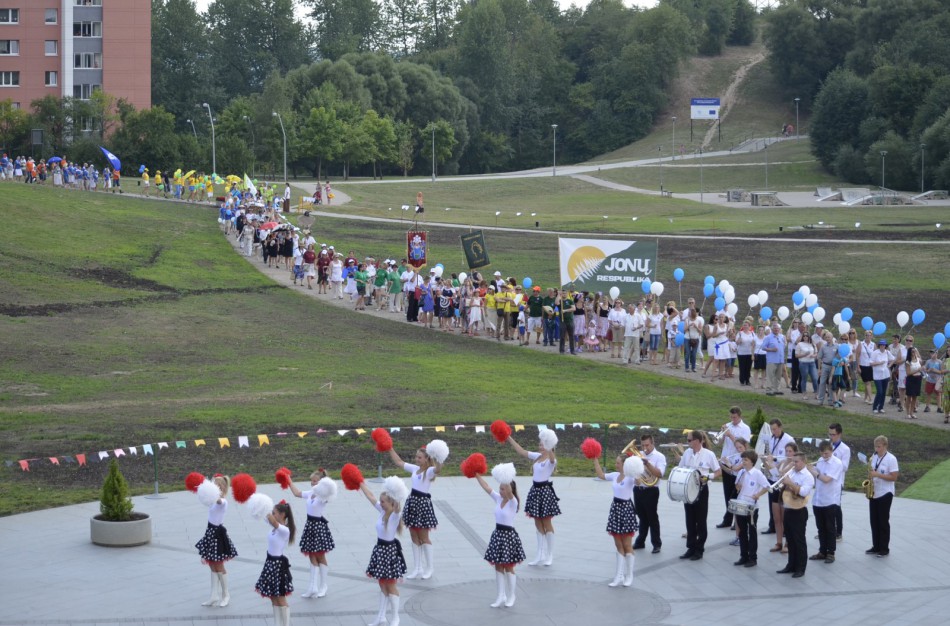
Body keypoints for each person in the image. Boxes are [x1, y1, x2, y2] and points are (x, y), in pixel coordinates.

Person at [387, 443, 444, 579]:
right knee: (414, 536)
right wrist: (389, 447)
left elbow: (438, 470)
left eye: (419, 457)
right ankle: (417, 568)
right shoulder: (415, 469)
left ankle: (429, 568)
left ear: (426, 459)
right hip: (412, 502)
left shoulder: (429, 471)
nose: (416, 459)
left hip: (422, 504)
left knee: (424, 537)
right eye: (416, 457)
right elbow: (399, 462)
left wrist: (439, 458)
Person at [359, 478, 408, 626]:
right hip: (380, 550)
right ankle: (381, 616)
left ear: (391, 503)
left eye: (384, 501)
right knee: (382, 584)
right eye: (381, 501)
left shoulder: (394, 516)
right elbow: (370, 496)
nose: (381, 503)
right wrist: (359, 481)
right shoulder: (381, 510)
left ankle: (395, 617)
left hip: (389, 552)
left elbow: (398, 508)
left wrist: (397, 495)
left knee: (390, 585)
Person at [474, 463, 524, 608]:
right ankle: (500, 595)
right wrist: (477, 475)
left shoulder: (513, 502)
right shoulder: (498, 499)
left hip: (508, 536)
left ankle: (511, 595)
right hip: (498, 534)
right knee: (498, 566)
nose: (500, 491)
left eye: (503, 488)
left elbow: (509, 491)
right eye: (500, 488)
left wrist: (506, 477)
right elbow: (487, 487)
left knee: (508, 567)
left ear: (509, 489)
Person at [508, 430, 560, 566]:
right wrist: (508, 437)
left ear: (549, 445)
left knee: (546, 522)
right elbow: (522, 451)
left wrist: (550, 448)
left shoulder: (550, 460)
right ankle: (540, 553)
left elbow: (553, 459)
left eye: (543, 445)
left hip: (545, 492)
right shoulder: (537, 457)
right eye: (540, 444)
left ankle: (549, 555)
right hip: (535, 491)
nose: (540, 447)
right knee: (537, 522)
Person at [592, 452, 640, 587]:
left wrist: (636, 472)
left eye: (618, 462)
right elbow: (601, 475)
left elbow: (639, 482)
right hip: (616, 509)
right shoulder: (614, 475)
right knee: (618, 544)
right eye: (617, 462)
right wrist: (595, 460)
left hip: (626, 510)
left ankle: (629, 574)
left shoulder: (630, 477)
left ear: (625, 465)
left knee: (627, 545)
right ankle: (618, 575)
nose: (616, 464)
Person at [288, 469, 336, 599]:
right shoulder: (311, 493)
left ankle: (323, 586)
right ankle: (312, 586)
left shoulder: (324, 496)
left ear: (321, 483)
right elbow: (297, 493)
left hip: (319, 526)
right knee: (311, 555)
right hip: (309, 525)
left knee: (320, 556)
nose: (312, 483)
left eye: (315, 481)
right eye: (312, 481)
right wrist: (288, 480)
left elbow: (331, 492)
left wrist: (326, 485)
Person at [677, 430, 721, 560]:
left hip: (701, 489)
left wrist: (707, 477)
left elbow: (718, 472)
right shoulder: (687, 453)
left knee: (700, 520)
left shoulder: (709, 454)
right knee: (689, 520)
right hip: (688, 489)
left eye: (689, 440)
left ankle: (699, 549)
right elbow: (681, 468)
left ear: (697, 441)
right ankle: (690, 547)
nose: (688, 442)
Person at [194, 475, 237, 607]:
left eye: (216, 486)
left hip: (218, 534)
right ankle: (214, 596)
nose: (214, 487)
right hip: (210, 532)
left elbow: (219, 502)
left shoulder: (223, 502)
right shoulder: (214, 501)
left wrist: (212, 494)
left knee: (219, 565)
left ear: (221, 488)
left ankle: (226, 595)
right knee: (212, 564)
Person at [255, 500, 296, 626]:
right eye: (272, 512)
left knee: (280, 597)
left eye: (274, 512)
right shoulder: (275, 526)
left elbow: (272, 521)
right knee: (273, 596)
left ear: (282, 514)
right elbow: (264, 517)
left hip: (278, 565)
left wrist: (265, 507)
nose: (272, 514)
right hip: (270, 563)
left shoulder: (284, 530)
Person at [775, 453, 814, 578]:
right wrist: (783, 483)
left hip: (799, 511)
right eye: (793, 461)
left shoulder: (807, 476)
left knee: (799, 540)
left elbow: (803, 492)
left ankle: (800, 568)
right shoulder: (792, 472)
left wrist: (790, 483)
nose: (794, 464)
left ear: (803, 461)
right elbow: (783, 485)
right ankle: (790, 565)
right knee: (790, 540)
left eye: (796, 462)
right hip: (788, 509)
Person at [715, 407, 752, 529]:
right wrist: (722, 436)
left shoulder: (745, 428)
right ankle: (728, 519)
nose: (732, 420)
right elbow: (719, 443)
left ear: (739, 416)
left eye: (734, 417)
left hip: (738, 463)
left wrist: (730, 435)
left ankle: (736, 520)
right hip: (726, 461)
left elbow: (742, 446)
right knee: (727, 492)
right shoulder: (727, 425)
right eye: (731, 417)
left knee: (735, 493)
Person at [807, 441, 843, 564]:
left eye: (826, 453)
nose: (824, 456)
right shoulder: (820, 460)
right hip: (818, 500)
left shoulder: (837, 463)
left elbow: (826, 479)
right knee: (820, 528)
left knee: (830, 528)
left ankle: (831, 553)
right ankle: (822, 551)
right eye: (822, 453)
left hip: (830, 500)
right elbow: (814, 477)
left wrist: (814, 472)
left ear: (831, 451)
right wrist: (808, 469)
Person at [632, 434, 666, 554]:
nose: (645, 448)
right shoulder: (638, 455)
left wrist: (647, 464)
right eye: (642, 445)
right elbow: (633, 471)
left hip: (651, 490)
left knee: (652, 517)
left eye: (647, 445)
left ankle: (656, 544)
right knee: (641, 517)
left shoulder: (659, 457)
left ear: (652, 443)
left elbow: (660, 474)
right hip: (638, 489)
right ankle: (640, 541)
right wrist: (634, 477)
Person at [866, 436, 899, 558]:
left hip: (885, 493)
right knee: (874, 521)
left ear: (885, 446)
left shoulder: (891, 459)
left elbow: (894, 477)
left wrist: (878, 475)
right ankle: (876, 546)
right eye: (875, 446)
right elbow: (872, 471)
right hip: (874, 492)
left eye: (879, 447)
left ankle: (884, 548)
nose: (877, 449)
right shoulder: (874, 457)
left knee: (883, 521)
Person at [761, 419, 795, 538]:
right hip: (772, 473)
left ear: (780, 427)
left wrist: (774, 462)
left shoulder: (788, 439)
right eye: (771, 429)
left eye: (775, 429)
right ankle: (773, 526)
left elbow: (790, 457)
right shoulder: (772, 438)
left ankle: (785, 529)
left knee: (782, 504)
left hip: (782, 474)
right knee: (772, 501)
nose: (773, 431)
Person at [733, 450, 767, 567]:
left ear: (752, 462)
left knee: (752, 532)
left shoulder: (757, 473)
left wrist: (758, 494)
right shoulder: (741, 472)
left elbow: (766, 486)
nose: (743, 462)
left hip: (752, 506)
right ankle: (744, 556)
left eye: (745, 460)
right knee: (742, 531)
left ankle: (753, 558)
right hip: (740, 504)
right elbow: (737, 487)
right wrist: (738, 486)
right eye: (743, 460)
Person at [827, 423, 851, 540]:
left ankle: (838, 532)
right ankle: (827, 530)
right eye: (830, 434)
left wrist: (832, 458)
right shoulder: (827, 445)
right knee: (825, 506)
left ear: (839, 434)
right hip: (826, 480)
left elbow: (845, 467)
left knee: (836, 506)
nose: (831, 437)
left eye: (833, 434)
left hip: (837, 481)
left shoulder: (845, 449)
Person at [762, 323, 787, 395]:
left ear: (780, 329)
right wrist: (771, 349)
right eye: (775, 328)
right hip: (772, 359)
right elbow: (763, 347)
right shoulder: (768, 337)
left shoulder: (782, 337)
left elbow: (783, 347)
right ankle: (769, 390)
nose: (776, 330)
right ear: (772, 329)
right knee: (770, 375)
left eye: (778, 328)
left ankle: (777, 389)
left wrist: (785, 344)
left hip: (780, 359)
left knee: (778, 376)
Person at [870, 339, 895, 414]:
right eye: (881, 345)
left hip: (885, 375)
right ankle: (875, 407)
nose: (882, 346)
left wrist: (889, 365)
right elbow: (871, 363)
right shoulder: (875, 353)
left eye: (884, 345)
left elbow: (893, 359)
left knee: (884, 392)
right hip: (877, 376)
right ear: (879, 346)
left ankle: (881, 407)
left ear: (885, 346)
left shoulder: (887, 352)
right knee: (879, 392)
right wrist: (879, 363)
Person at [923, 349, 946, 417]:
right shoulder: (928, 361)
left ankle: (939, 407)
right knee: (928, 393)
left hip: (937, 381)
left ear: (937, 354)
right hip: (929, 380)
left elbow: (941, 372)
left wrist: (935, 370)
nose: (932, 354)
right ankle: (927, 406)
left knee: (938, 394)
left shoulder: (939, 362)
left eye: (934, 353)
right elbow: (925, 371)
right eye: (931, 353)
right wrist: (928, 370)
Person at [904, 346, 924, 419]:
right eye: (912, 351)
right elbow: (908, 373)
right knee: (909, 397)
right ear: (910, 353)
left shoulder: (918, 359)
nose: (914, 352)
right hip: (911, 379)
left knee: (915, 397)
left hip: (918, 379)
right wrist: (918, 370)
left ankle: (912, 412)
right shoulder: (908, 362)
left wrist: (922, 370)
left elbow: (921, 367)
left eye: (915, 351)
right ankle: (907, 413)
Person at [557, 289, 576, 354]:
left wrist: (565, 310)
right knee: (562, 336)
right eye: (562, 293)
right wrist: (558, 295)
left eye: (565, 293)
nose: (564, 294)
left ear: (567, 294)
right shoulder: (560, 301)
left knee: (571, 336)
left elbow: (573, 308)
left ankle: (572, 350)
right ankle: (561, 350)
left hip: (570, 320)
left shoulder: (570, 301)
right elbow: (556, 303)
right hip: (562, 321)